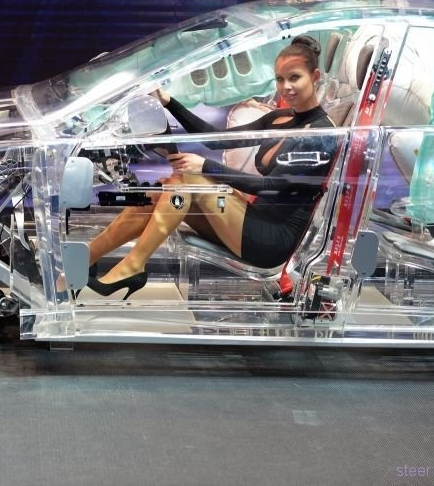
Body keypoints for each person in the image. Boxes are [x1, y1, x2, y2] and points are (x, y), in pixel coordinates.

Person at [86, 35, 338, 299]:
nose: (286, 87)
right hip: (248, 219)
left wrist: (206, 166)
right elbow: (215, 140)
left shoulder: (321, 133)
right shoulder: (281, 118)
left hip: (271, 240)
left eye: (294, 77)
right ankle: (87, 258)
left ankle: (133, 266)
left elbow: (272, 187)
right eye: (279, 79)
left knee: (186, 183)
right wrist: (168, 101)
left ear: (315, 76)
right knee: (163, 191)